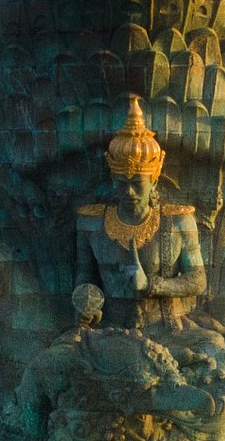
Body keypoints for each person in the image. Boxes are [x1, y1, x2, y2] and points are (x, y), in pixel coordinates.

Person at [75, 95, 205, 329]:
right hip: (111, 330)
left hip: (167, 328)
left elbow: (197, 280)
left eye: (137, 183)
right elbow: (85, 279)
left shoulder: (178, 221)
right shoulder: (91, 222)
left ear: (154, 181)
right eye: (122, 182)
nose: (130, 191)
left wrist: (151, 285)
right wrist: (86, 310)